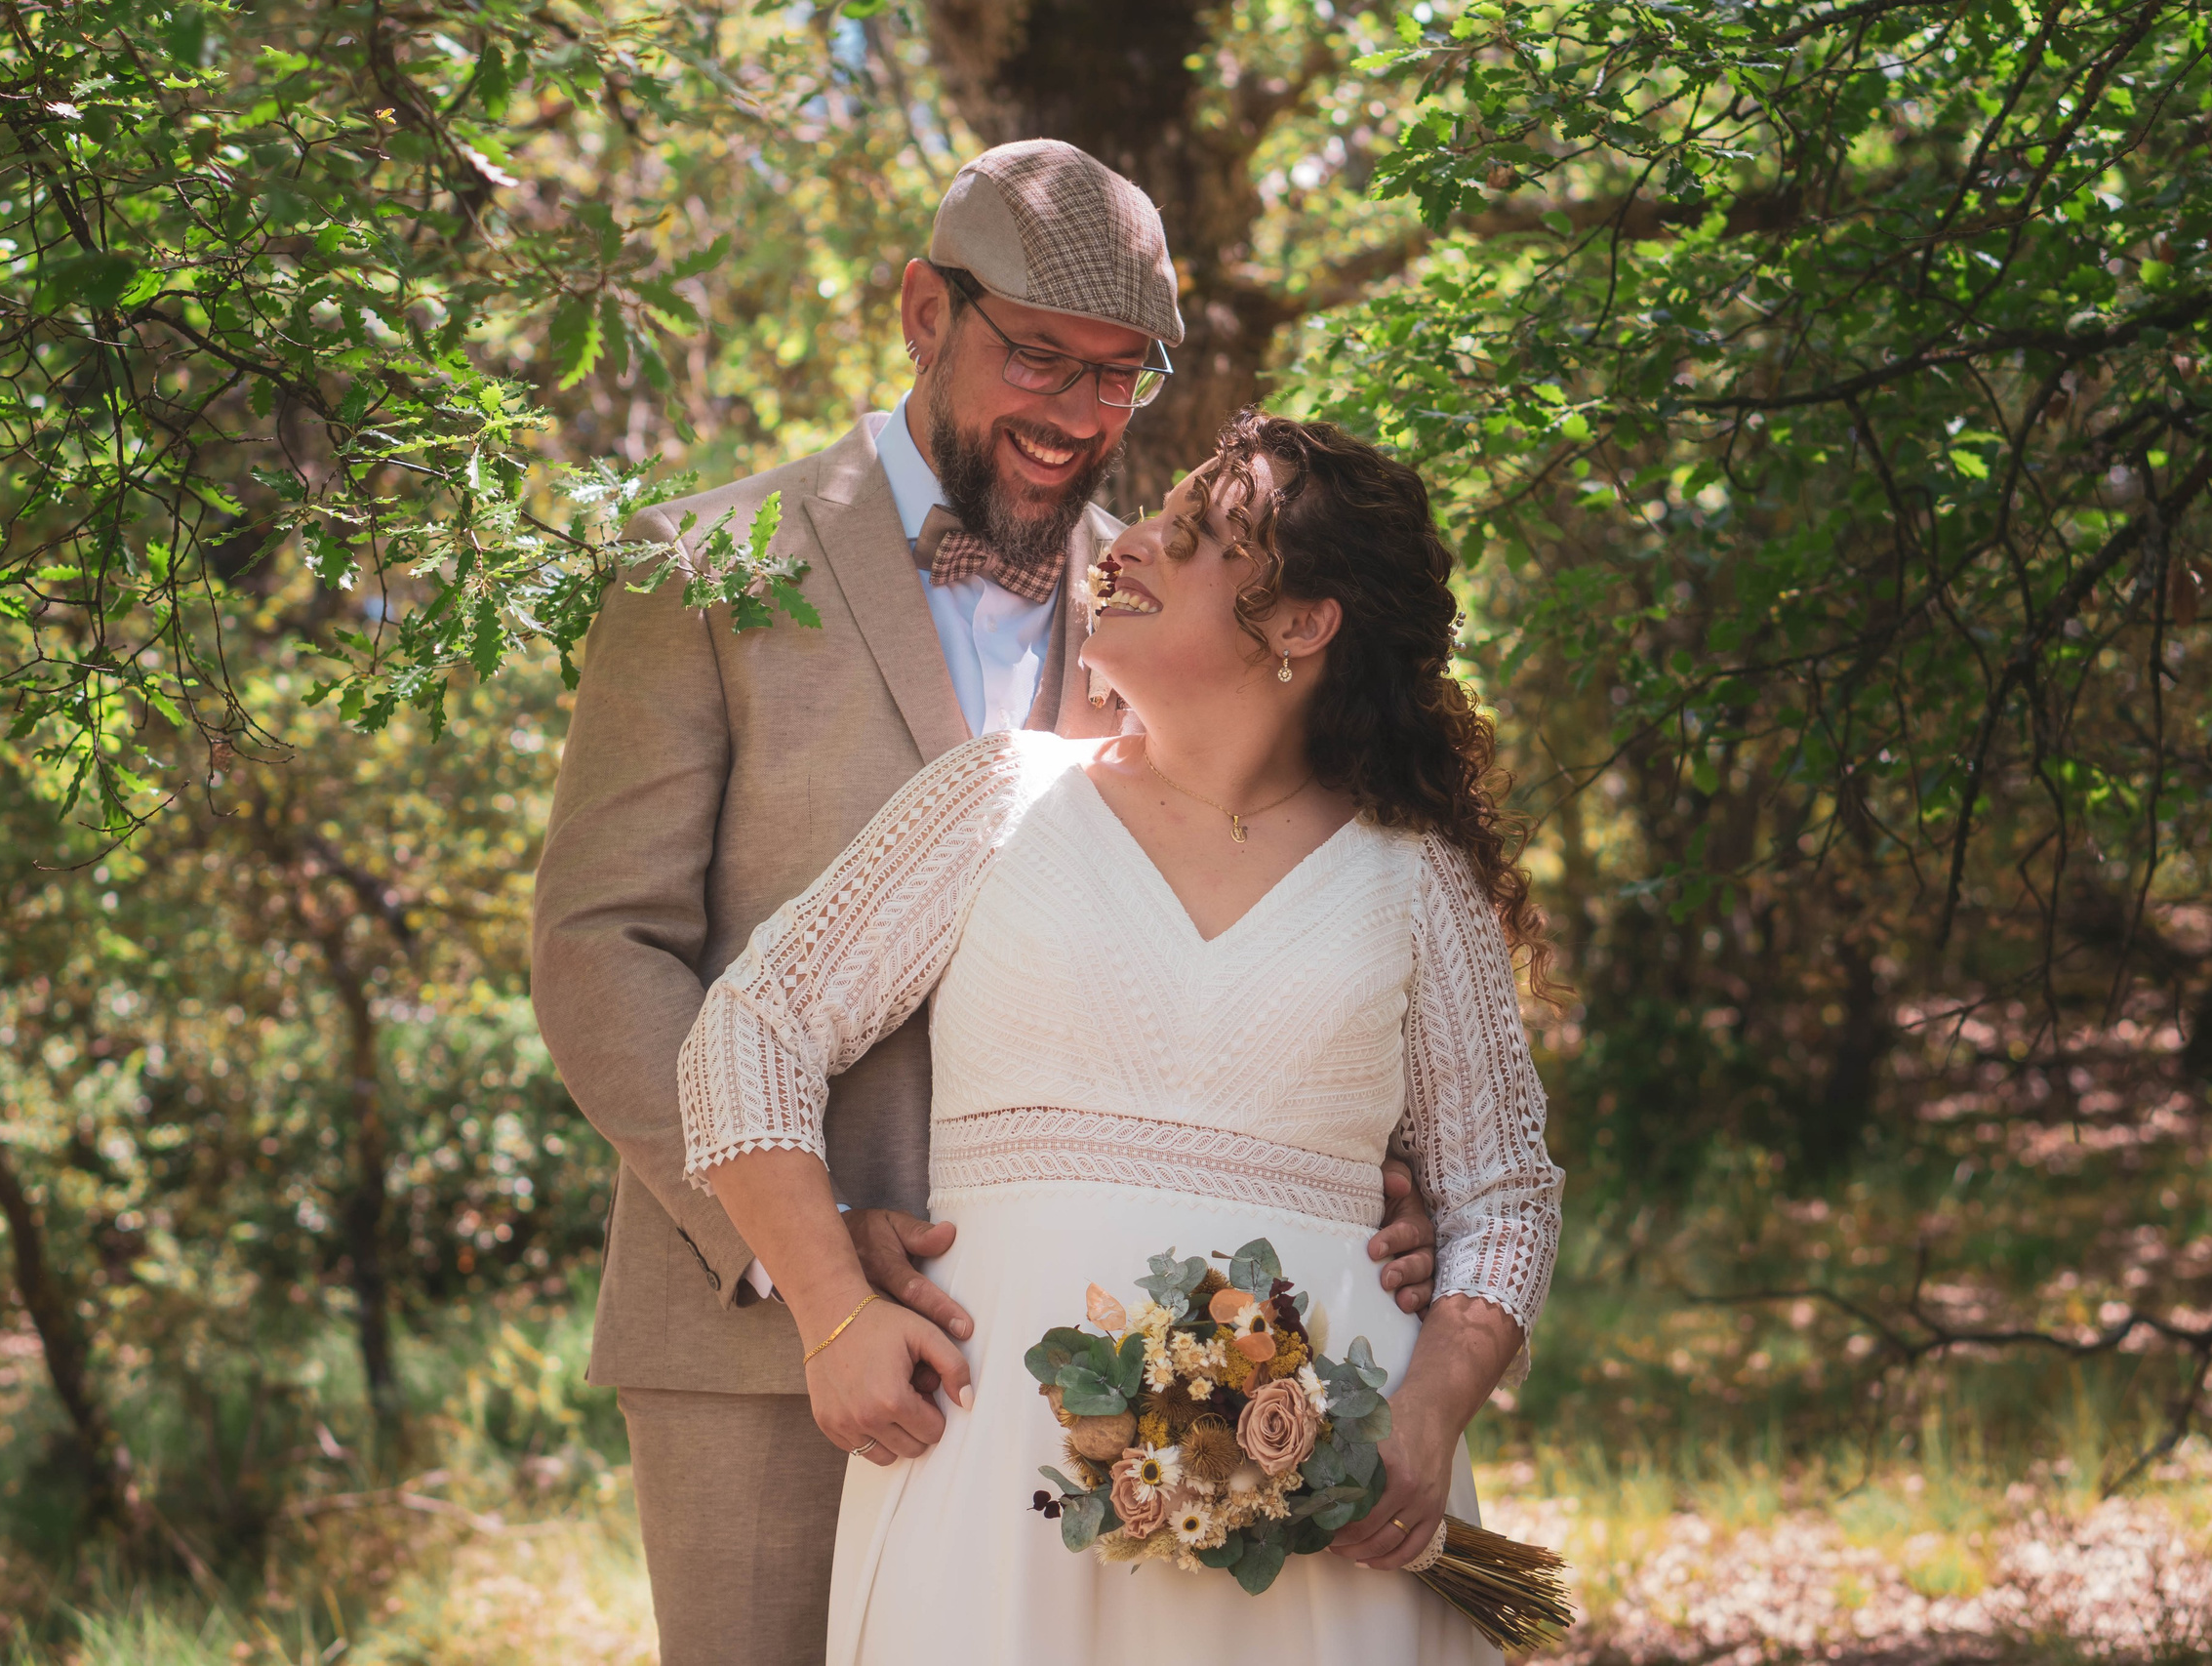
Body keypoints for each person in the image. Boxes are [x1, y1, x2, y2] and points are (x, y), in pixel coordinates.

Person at [530, 142, 1441, 1664]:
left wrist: (1371, 1187)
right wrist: (799, 1247)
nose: (1076, 418)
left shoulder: (1168, 611)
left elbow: (1283, 903)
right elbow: (599, 944)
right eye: (1038, 358)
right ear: (919, 310)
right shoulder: (702, 565)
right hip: (755, 1330)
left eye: (1119, 379)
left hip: (1102, 1365)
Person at [678, 409, 1564, 1662]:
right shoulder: (997, 798)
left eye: (1195, 536)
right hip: (995, 1473)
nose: (1131, 539)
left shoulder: (1417, 884)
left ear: (1304, 625)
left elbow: (1502, 1195)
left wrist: (1427, 1414)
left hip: (1333, 1503)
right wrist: (833, 1311)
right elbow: (747, 1033)